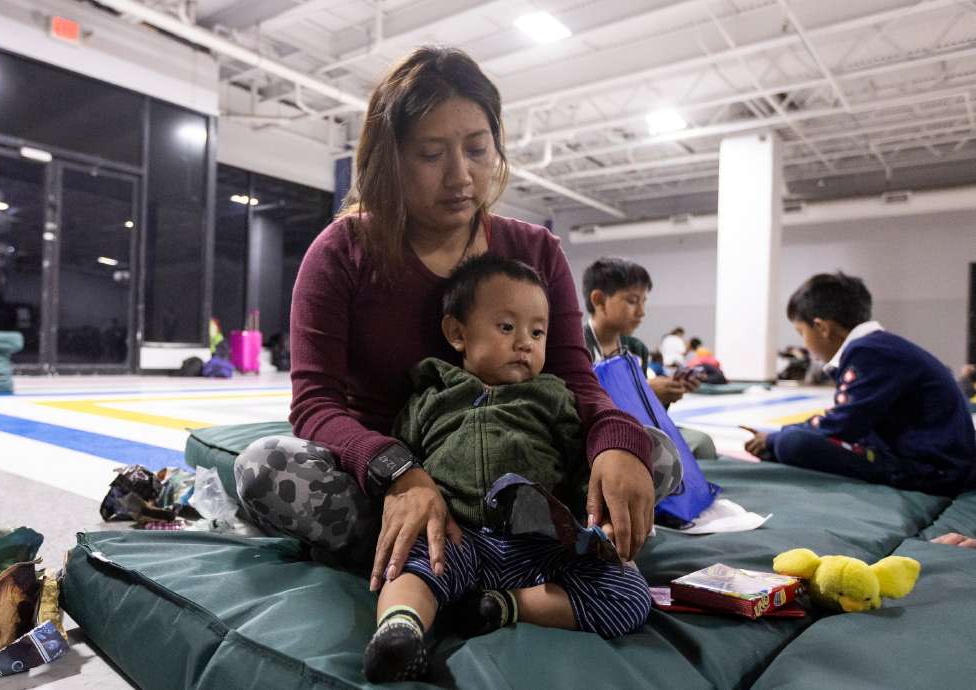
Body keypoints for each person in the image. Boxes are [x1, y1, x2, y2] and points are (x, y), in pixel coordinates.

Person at [233, 47, 657, 601]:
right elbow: (315, 404)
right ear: (390, 159)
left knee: (653, 455)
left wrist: (617, 446)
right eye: (432, 154)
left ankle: (442, 566)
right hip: (392, 477)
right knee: (265, 469)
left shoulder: (535, 250)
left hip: (527, 469)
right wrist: (399, 474)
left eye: (478, 149)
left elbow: (577, 386)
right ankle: (490, 558)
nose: (462, 176)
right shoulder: (342, 252)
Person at [362, 255, 652, 682]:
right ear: (457, 333)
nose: (525, 343)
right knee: (410, 566)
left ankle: (504, 605)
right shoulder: (430, 396)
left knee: (628, 592)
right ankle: (399, 632)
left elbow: (579, 467)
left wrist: (599, 527)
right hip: (456, 537)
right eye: (506, 328)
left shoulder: (551, 396)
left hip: (541, 548)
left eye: (537, 332)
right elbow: (405, 461)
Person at [744, 272, 976, 496]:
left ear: (823, 327)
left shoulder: (867, 351)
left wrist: (776, 437)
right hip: (941, 461)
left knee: (791, 443)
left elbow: (842, 424)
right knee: (795, 438)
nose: (803, 342)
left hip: (937, 472)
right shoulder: (881, 347)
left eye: (801, 332)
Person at [581, 257, 716, 458]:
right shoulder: (577, 349)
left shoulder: (635, 349)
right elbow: (579, 412)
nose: (642, 312)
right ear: (599, 300)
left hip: (637, 429)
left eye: (644, 301)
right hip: (595, 439)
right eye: (632, 301)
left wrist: (667, 393)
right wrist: (644, 394)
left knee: (702, 443)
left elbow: (645, 415)